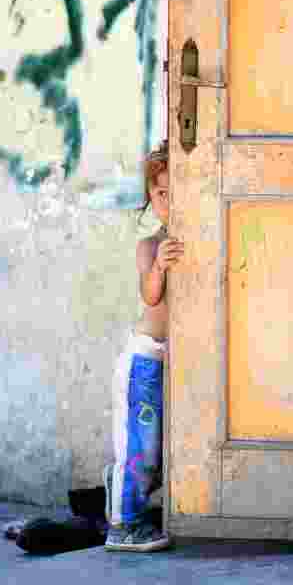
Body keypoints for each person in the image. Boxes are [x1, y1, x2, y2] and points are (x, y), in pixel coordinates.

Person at [104, 144, 183, 552]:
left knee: (165, 448)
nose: (169, 202)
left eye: (178, 190)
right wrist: (159, 268)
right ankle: (124, 525)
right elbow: (151, 297)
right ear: (151, 198)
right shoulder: (151, 247)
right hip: (147, 361)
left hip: (180, 362)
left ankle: (118, 495)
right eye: (161, 194)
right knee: (141, 448)